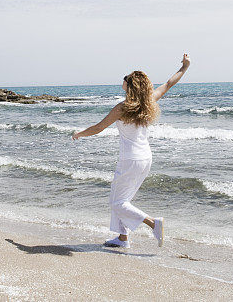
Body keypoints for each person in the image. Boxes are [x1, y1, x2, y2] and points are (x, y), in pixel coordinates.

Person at [72, 54, 191, 248]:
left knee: (117, 202)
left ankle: (153, 223)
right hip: (145, 159)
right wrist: (185, 67)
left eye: (126, 78)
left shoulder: (123, 108)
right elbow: (169, 84)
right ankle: (122, 238)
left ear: (131, 85)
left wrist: (79, 134)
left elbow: (99, 127)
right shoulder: (149, 101)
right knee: (121, 198)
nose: (123, 79)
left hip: (130, 160)